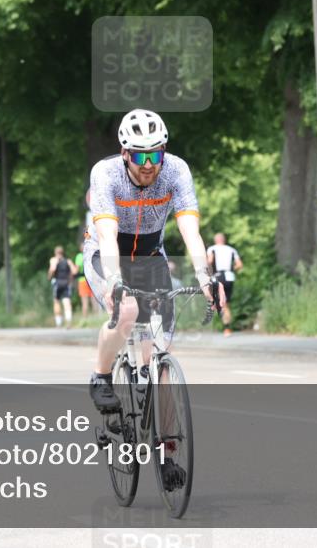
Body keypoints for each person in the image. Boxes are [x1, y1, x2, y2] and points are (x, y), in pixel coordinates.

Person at [84, 109, 221, 411]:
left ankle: (168, 439)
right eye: (139, 156)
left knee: (158, 354)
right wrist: (113, 281)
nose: (148, 165)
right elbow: (106, 235)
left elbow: (190, 231)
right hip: (106, 254)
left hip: (150, 256)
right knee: (127, 312)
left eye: (155, 155)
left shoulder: (176, 171)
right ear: (124, 153)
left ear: (164, 151)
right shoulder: (105, 173)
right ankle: (101, 376)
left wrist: (205, 277)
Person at [207, 232, 243, 335]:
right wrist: (231, 269)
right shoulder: (232, 250)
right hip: (229, 276)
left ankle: (217, 313)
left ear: (216, 240)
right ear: (224, 240)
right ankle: (227, 328)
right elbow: (239, 265)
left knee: (216, 299)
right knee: (226, 303)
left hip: (218, 276)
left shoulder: (212, 249)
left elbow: (209, 262)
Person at [48, 246, 78, 327]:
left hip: (57, 283)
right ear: (62, 252)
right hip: (66, 283)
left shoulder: (53, 260)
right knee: (67, 302)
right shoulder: (68, 261)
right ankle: (68, 322)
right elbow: (74, 271)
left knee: (56, 302)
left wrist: (50, 276)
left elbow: (52, 270)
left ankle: (58, 323)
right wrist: (70, 278)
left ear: (55, 253)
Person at [74, 250, 95, 317]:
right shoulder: (91, 255)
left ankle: (85, 318)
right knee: (94, 299)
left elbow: (76, 270)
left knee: (84, 300)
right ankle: (96, 316)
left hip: (83, 280)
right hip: (92, 279)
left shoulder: (80, 256)